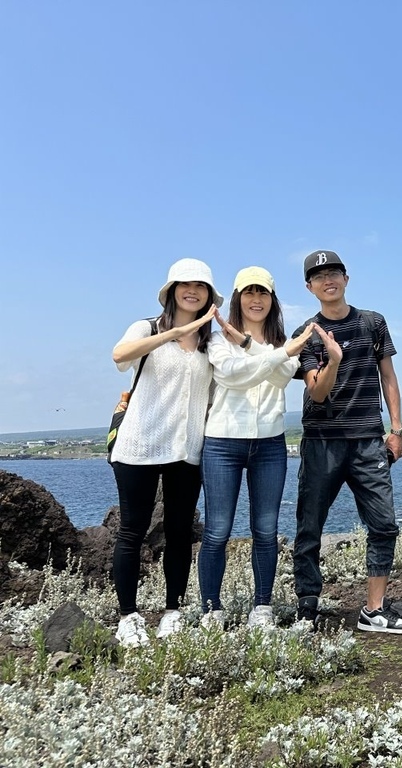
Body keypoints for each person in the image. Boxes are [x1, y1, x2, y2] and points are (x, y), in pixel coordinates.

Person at [291, 249, 402, 634]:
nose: (327, 280)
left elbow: (388, 377)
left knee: (384, 524)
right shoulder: (305, 334)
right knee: (309, 525)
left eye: (334, 273)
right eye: (319, 276)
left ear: (347, 278)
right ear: (309, 287)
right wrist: (333, 358)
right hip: (321, 441)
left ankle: (374, 609)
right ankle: (307, 607)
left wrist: (396, 430)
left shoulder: (373, 323)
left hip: (368, 440)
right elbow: (316, 392)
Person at [110, 258, 222, 648]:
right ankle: (128, 616)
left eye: (200, 286)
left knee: (178, 533)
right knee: (131, 532)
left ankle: (173, 611)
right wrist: (174, 332)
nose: (192, 290)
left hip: (186, 451)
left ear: (209, 295)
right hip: (139, 445)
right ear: (172, 289)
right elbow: (120, 355)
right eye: (184, 284)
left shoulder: (211, 343)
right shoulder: (147, 327)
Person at [197, 267, 313, 629]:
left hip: (269, 444)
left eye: (262, 293)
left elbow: (280, 378)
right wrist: (274, 354)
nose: (256, 299)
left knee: (266, 529)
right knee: (217, 530)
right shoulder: (218, 340)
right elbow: (233, 375)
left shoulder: (285, 343)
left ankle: (262, 606)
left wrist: (251, 345)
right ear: (237, 298)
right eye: (248, 293)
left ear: (272, 299)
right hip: (222, 442)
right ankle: (211, 609)